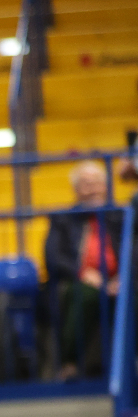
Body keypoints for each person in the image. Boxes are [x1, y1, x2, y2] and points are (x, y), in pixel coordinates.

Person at [44, 161, 123, 379]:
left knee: (132, 297)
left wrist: (122, 278)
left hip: (119, 280)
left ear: (106, 186)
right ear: (76, 189)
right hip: (80, 281)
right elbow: (53, 257)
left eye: (97, 183)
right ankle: (70, 362)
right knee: (86, 296)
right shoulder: (62, 218)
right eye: (86, 184)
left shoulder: (120, 216)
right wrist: (83, 273)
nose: (92, 189)